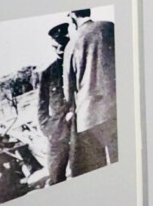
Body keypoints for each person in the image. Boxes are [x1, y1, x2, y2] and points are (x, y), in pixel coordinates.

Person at [63, 9, 117, 176]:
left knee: (98, 172)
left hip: (88, 119)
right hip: (116, 110)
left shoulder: (71, 45)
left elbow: (68, 91)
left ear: (72, 15)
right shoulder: (109, 27)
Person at [36, 22, 72, 185]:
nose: (60, 49)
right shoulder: (48, 72)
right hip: (57, 131)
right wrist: (47, 128)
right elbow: (41, 105)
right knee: (56, 175)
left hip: (78, 126)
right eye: (57, 46)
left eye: (63, 45)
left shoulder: (76, 62)